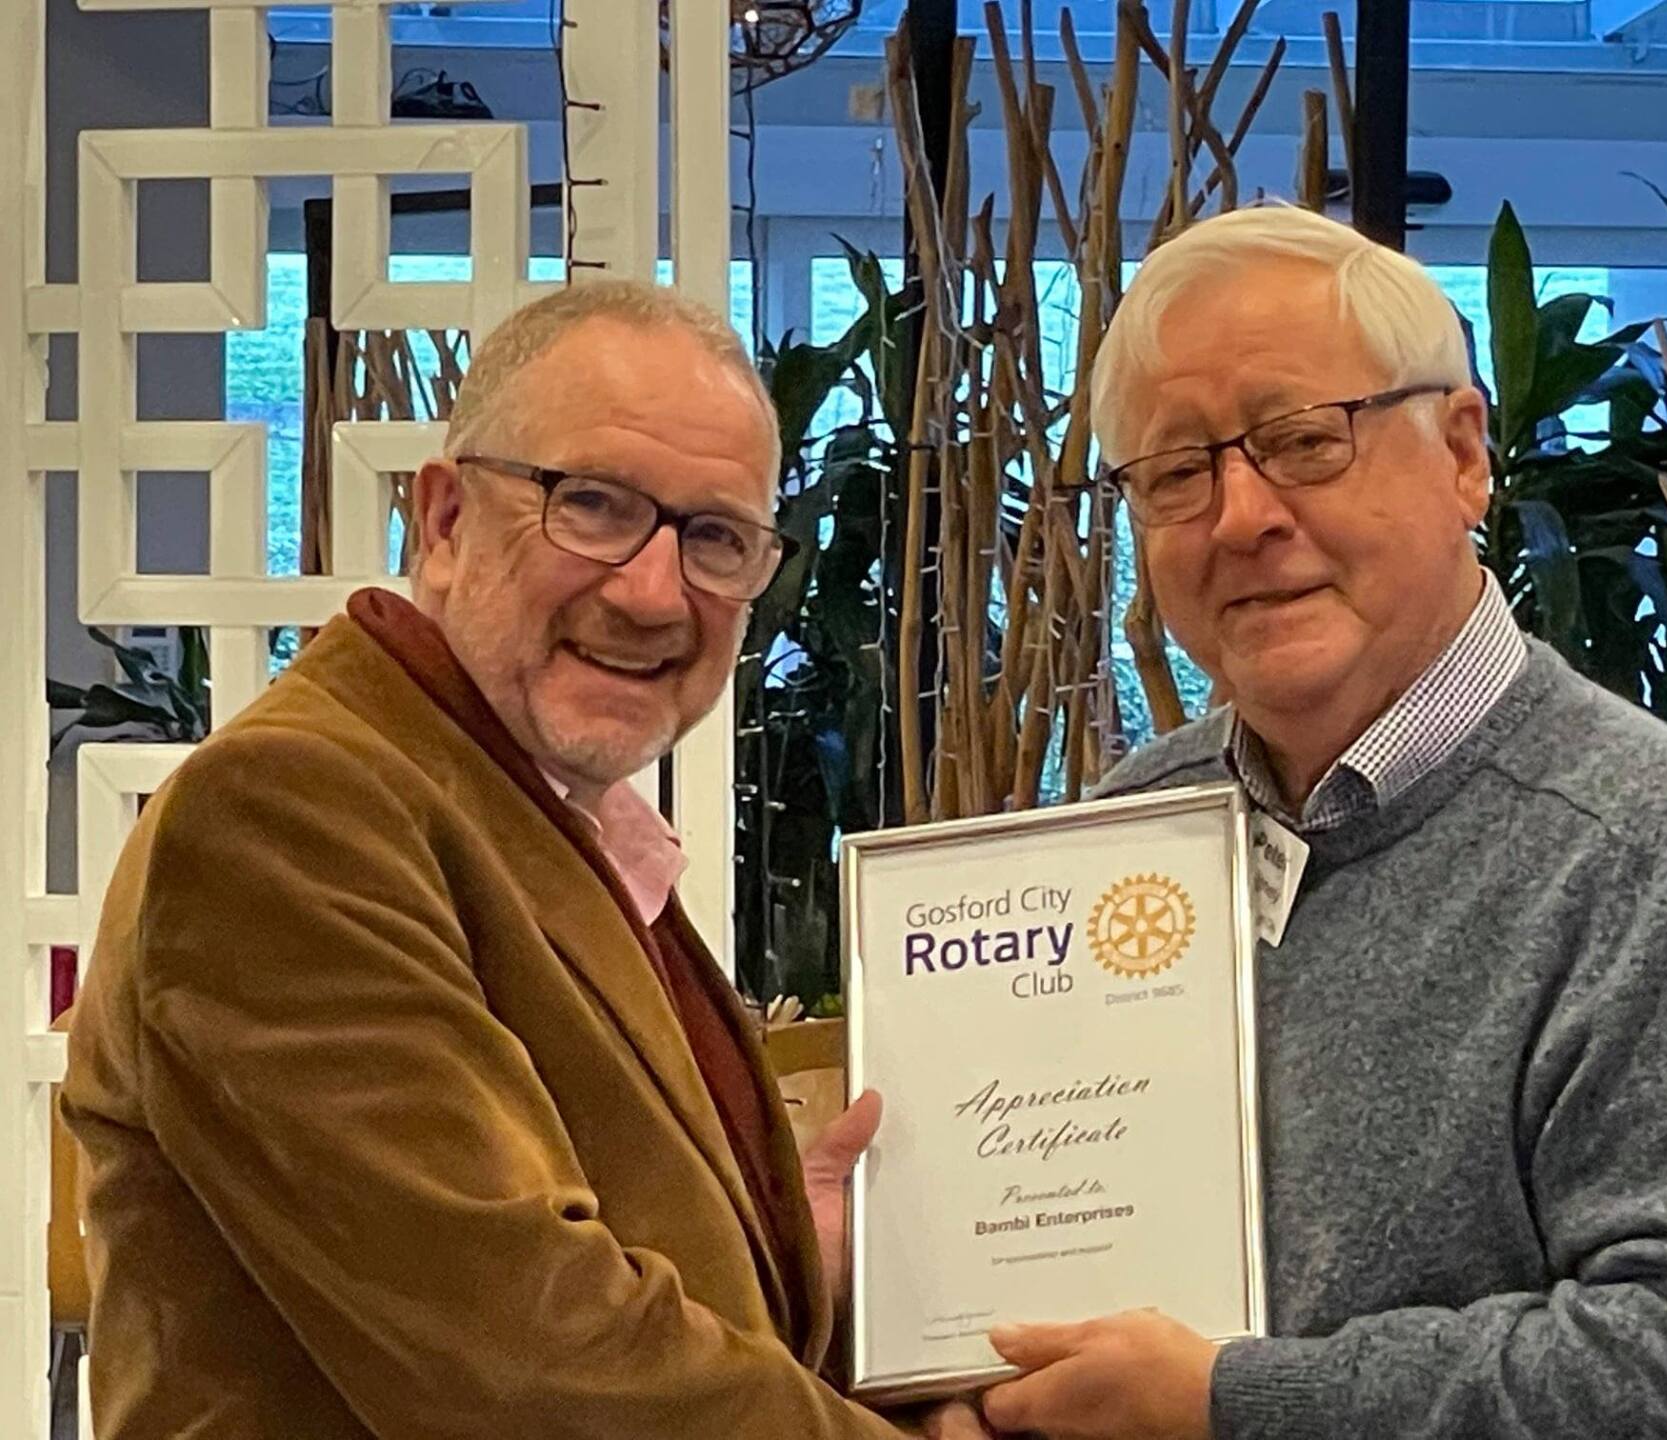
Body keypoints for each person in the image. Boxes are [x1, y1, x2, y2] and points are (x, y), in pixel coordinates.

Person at [980, 205, 1667, 1440]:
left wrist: (1235, 1406)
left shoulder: (1654, 856)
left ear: (1461, 453)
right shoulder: (1125, 841)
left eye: (1301, 441)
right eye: (1177, 473)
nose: (1241, 517)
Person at [62, 280, 982, 1440]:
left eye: (715, 539)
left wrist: (786, 1241)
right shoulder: (289, 812)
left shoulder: (528, 815)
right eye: (591, 505)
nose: (654, 594)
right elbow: (532, 1367)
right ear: (442, 521)